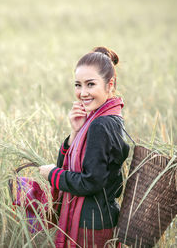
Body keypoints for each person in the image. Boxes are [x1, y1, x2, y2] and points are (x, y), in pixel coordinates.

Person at [39, 46, 130, 248]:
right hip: (95, 220)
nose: (82, 93)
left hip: (92, 226)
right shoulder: (104, 119)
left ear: (110, 85)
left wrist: (53, 175)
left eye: (90, 84)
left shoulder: (101, 124)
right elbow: (70, 166)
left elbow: (91, 182)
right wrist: (75, 132)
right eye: (78, 85)